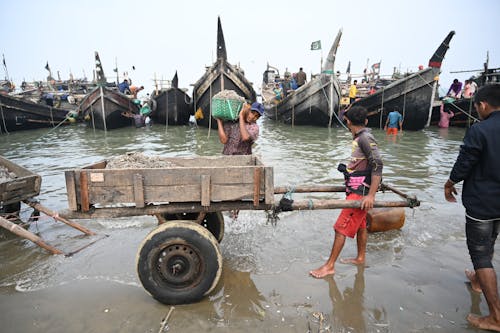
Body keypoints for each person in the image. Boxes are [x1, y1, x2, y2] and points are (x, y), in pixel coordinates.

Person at [444, 84, 500, 331]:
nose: (476, 109)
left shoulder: (480, 130)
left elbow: (465, 161)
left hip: (483, 202)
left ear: (484, 104)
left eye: (476, 105)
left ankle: (495, 317)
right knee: (489, 243)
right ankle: (477, 281)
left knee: (479, 252)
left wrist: (450, 182)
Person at [310, 106, 383, 278]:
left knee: (340, 227)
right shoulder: (360, 138)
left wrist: (371, 195)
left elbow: (378, 164)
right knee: (361, 225)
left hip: (360, 192)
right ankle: (360, 257)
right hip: (358, 188)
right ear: (365, 121)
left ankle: (329, 266)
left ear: (348, 121)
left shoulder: (365, 138)